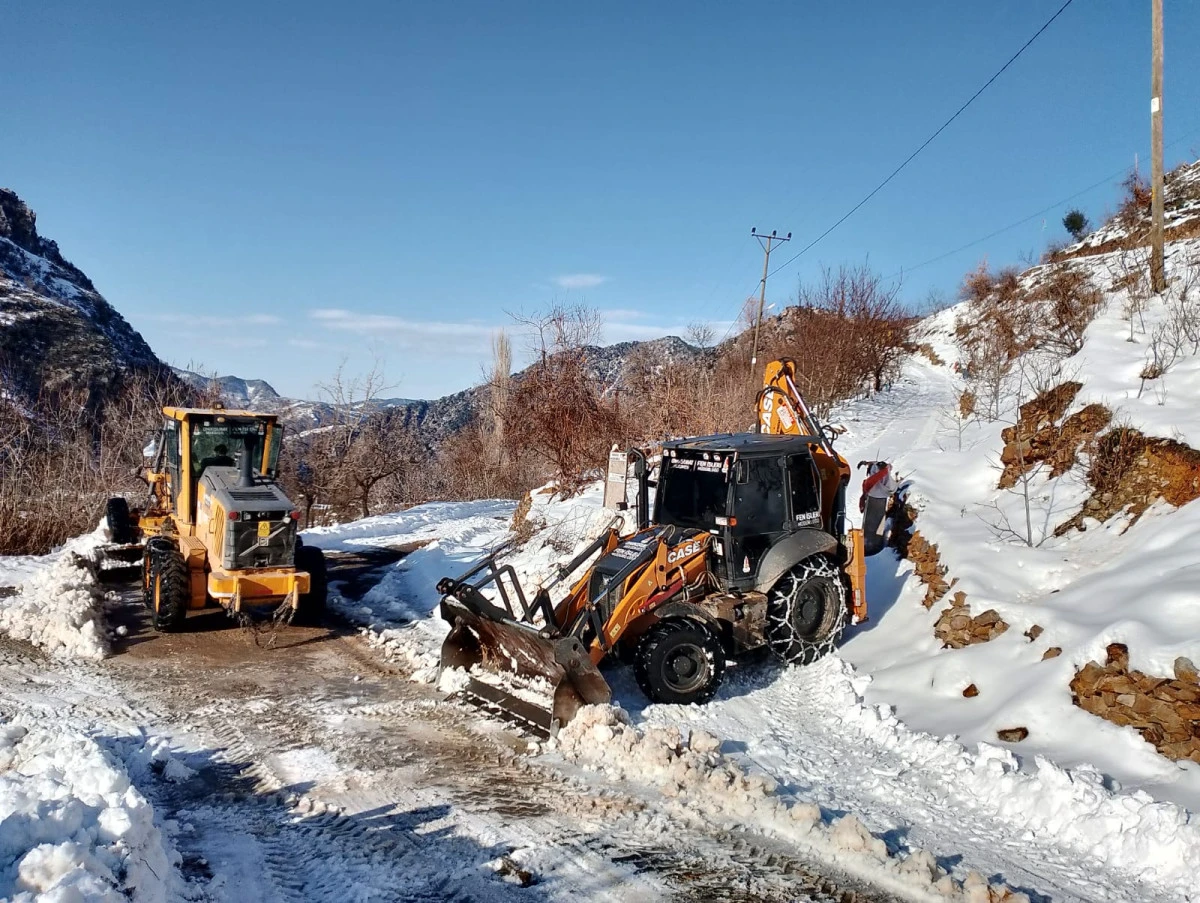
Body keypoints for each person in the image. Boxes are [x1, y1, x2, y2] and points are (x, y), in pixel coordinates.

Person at [857, 460, 900, 557]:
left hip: (876, 500)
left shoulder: (881, 473)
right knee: (873, 525)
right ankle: (869, 545)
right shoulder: (884, 470)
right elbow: (892, 488)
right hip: (878, 499)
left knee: (873, 526)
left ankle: (870, 547)